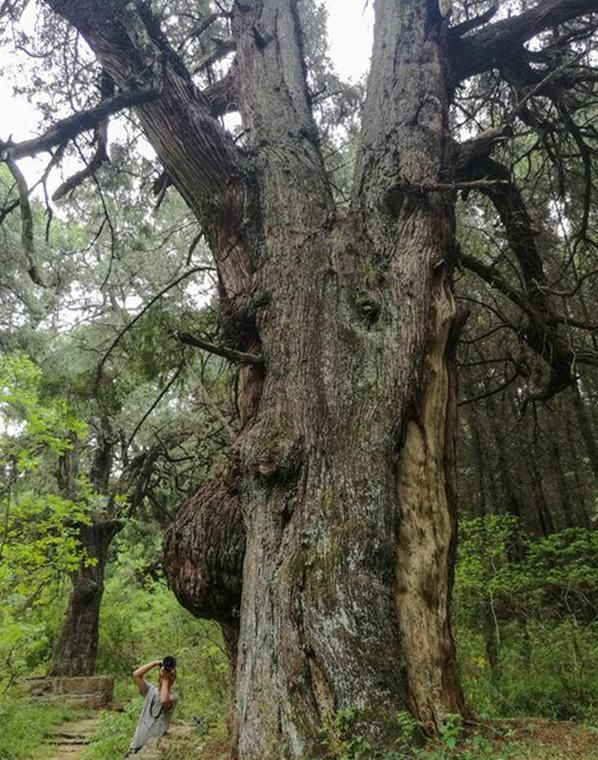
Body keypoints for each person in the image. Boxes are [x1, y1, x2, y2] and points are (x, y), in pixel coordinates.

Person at [125, 657, 179, 756]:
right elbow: (136, 675)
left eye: (172, 676)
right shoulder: (150, 690)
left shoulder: (173, 696)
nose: (168, 676)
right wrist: (155, 663)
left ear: (174, 679)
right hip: (137, 743)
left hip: (154, 748)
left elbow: (164, 701)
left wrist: (166, 679)